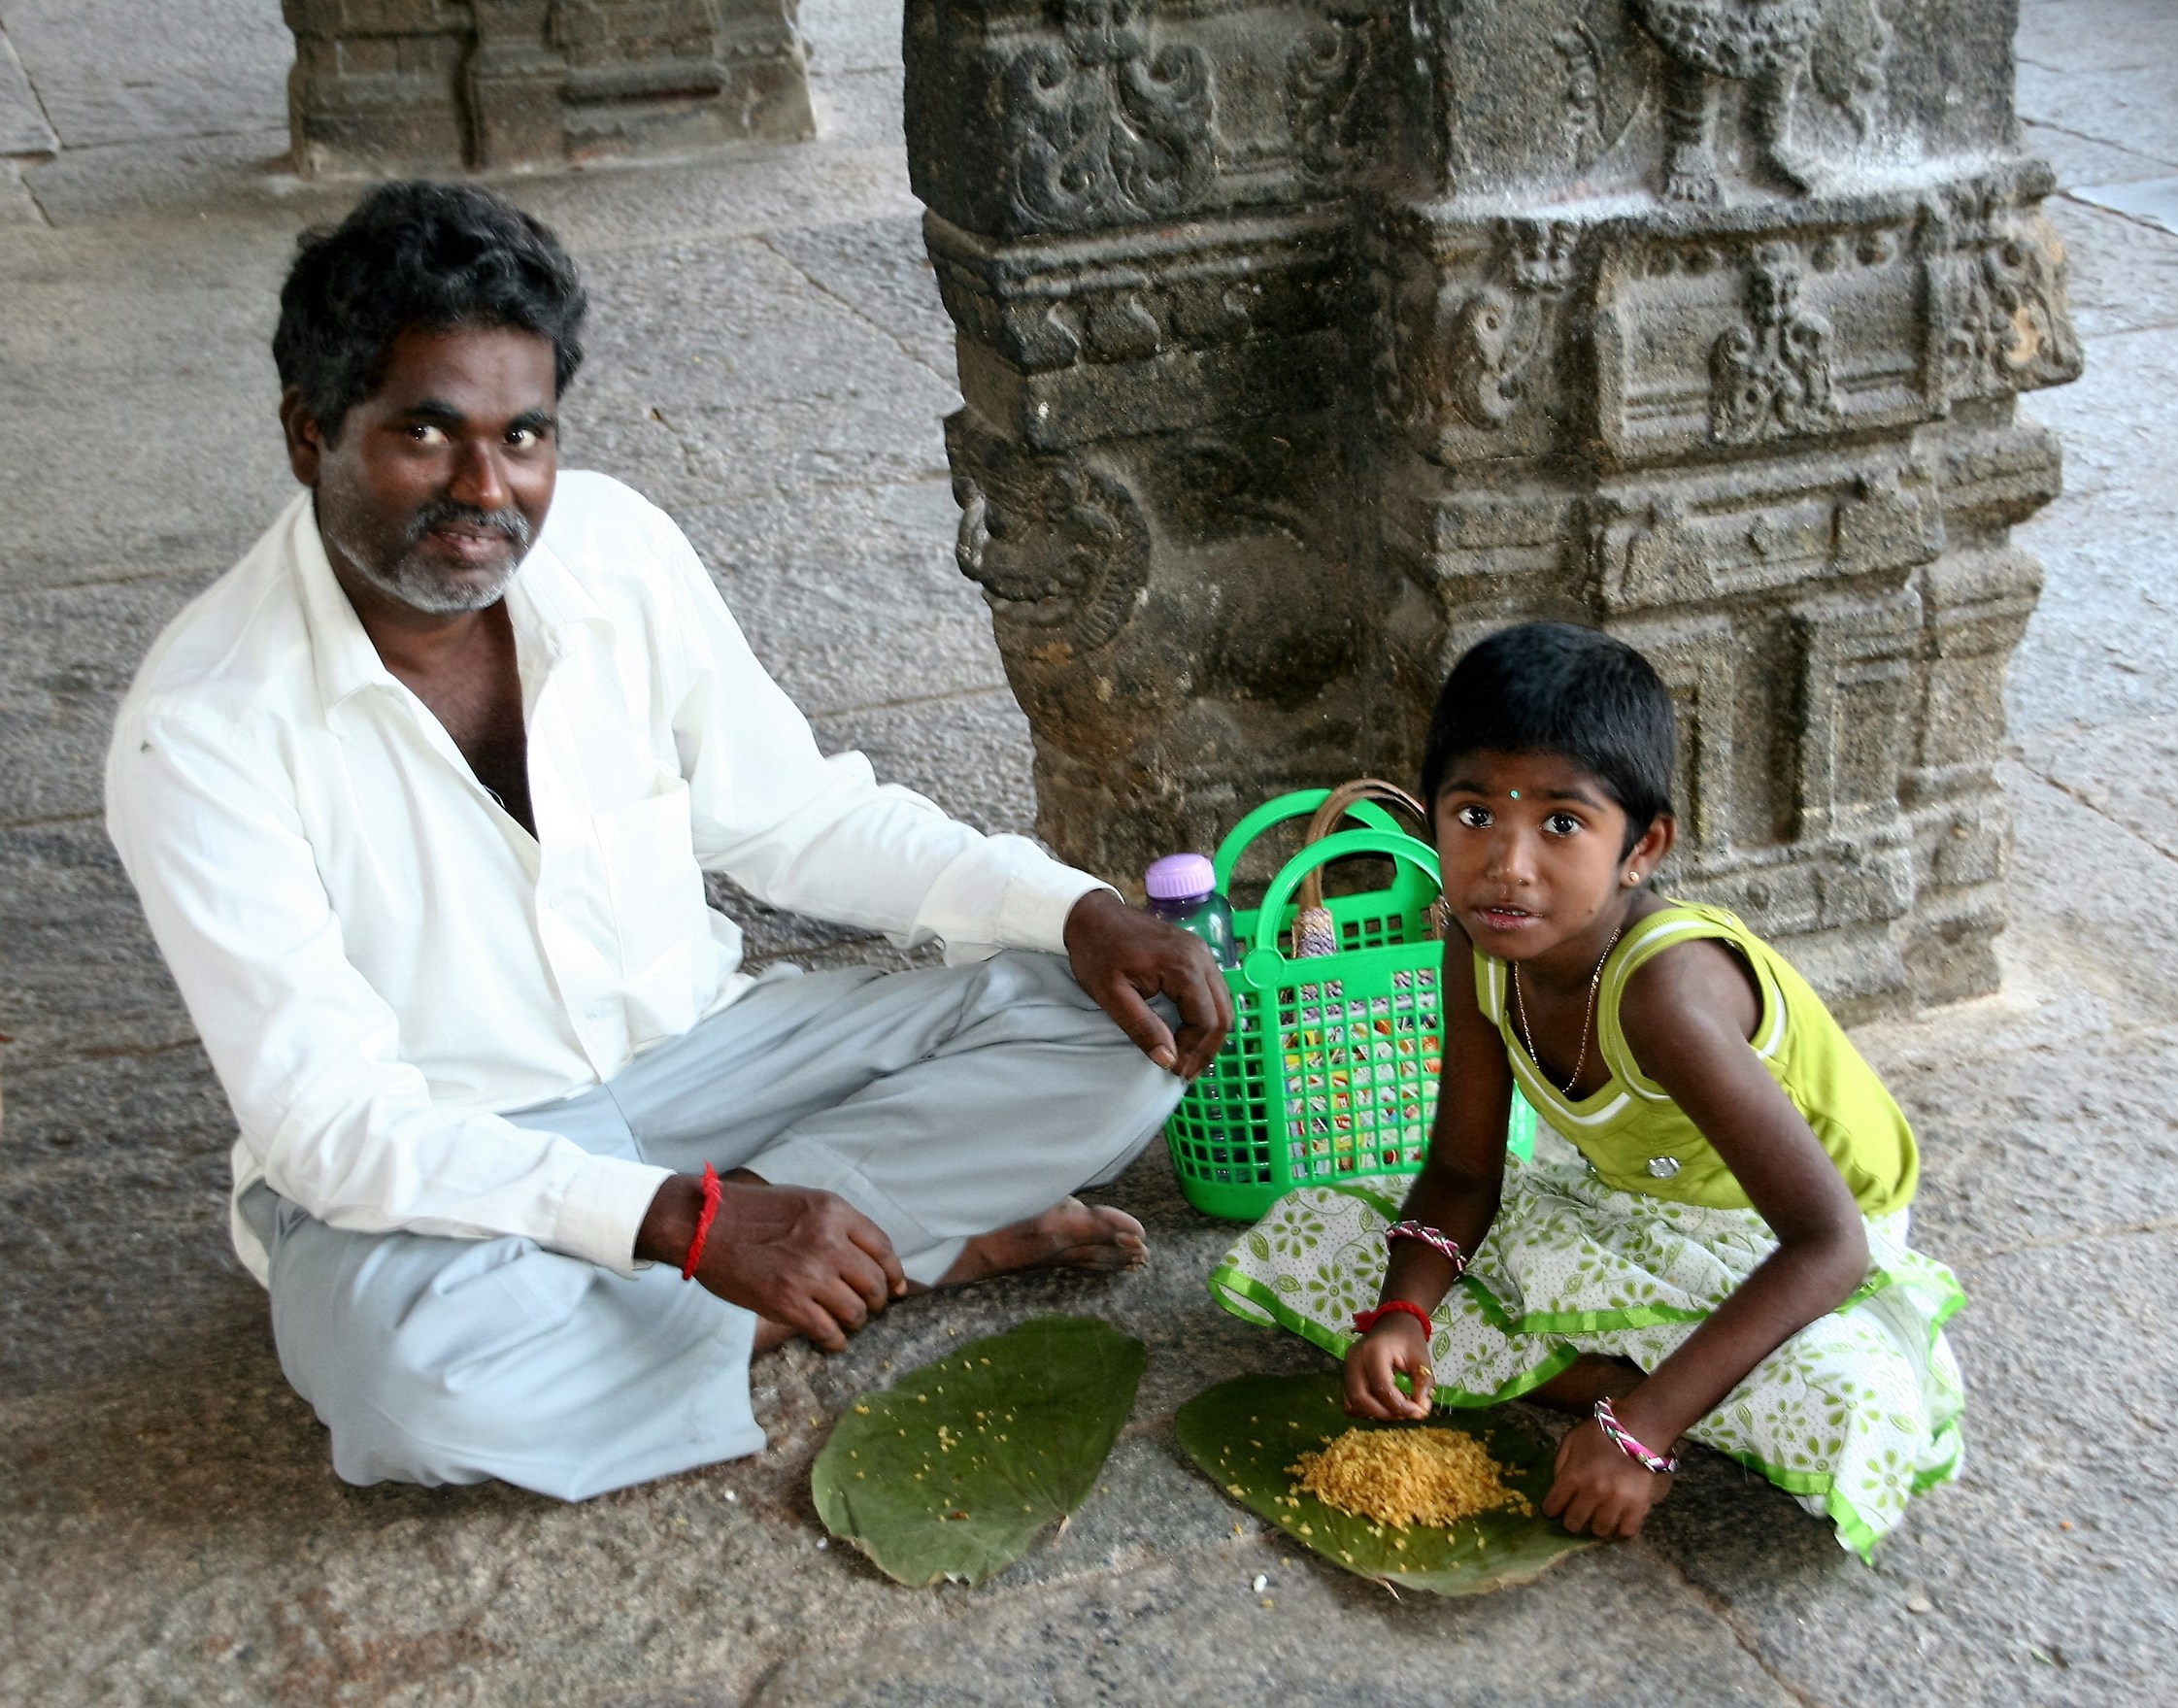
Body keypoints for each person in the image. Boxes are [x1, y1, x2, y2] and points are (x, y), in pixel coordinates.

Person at [105, 181, 1230, 1501]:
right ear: (311, 433)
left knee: (1122, 1031)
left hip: (707, 1059)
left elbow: (799, 815)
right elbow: (334, 1123)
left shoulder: (616, 550)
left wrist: (1072, 910)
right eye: (426, 431)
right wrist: (682, 1220)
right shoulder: (201, 726)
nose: (486, 488)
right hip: (451, 1145)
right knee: (408, 1383)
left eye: (524, 435)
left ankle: (767, 1268)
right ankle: (901, 1252)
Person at [1209, 622, 1963, 1558]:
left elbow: (1829, 1243)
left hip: (1790, 1239)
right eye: (1474, 814)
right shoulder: (1475, 943)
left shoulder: (1667, 993)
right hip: (1627, 1203)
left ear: (1642, 847)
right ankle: (1645, 1381)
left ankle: (1639, 1394)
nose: (1508, 863)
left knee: (1846, 1402)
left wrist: (1640, 1433)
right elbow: (1461, 1173)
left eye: (1561, 824)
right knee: (1314, 1233)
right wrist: (1402, 1314)